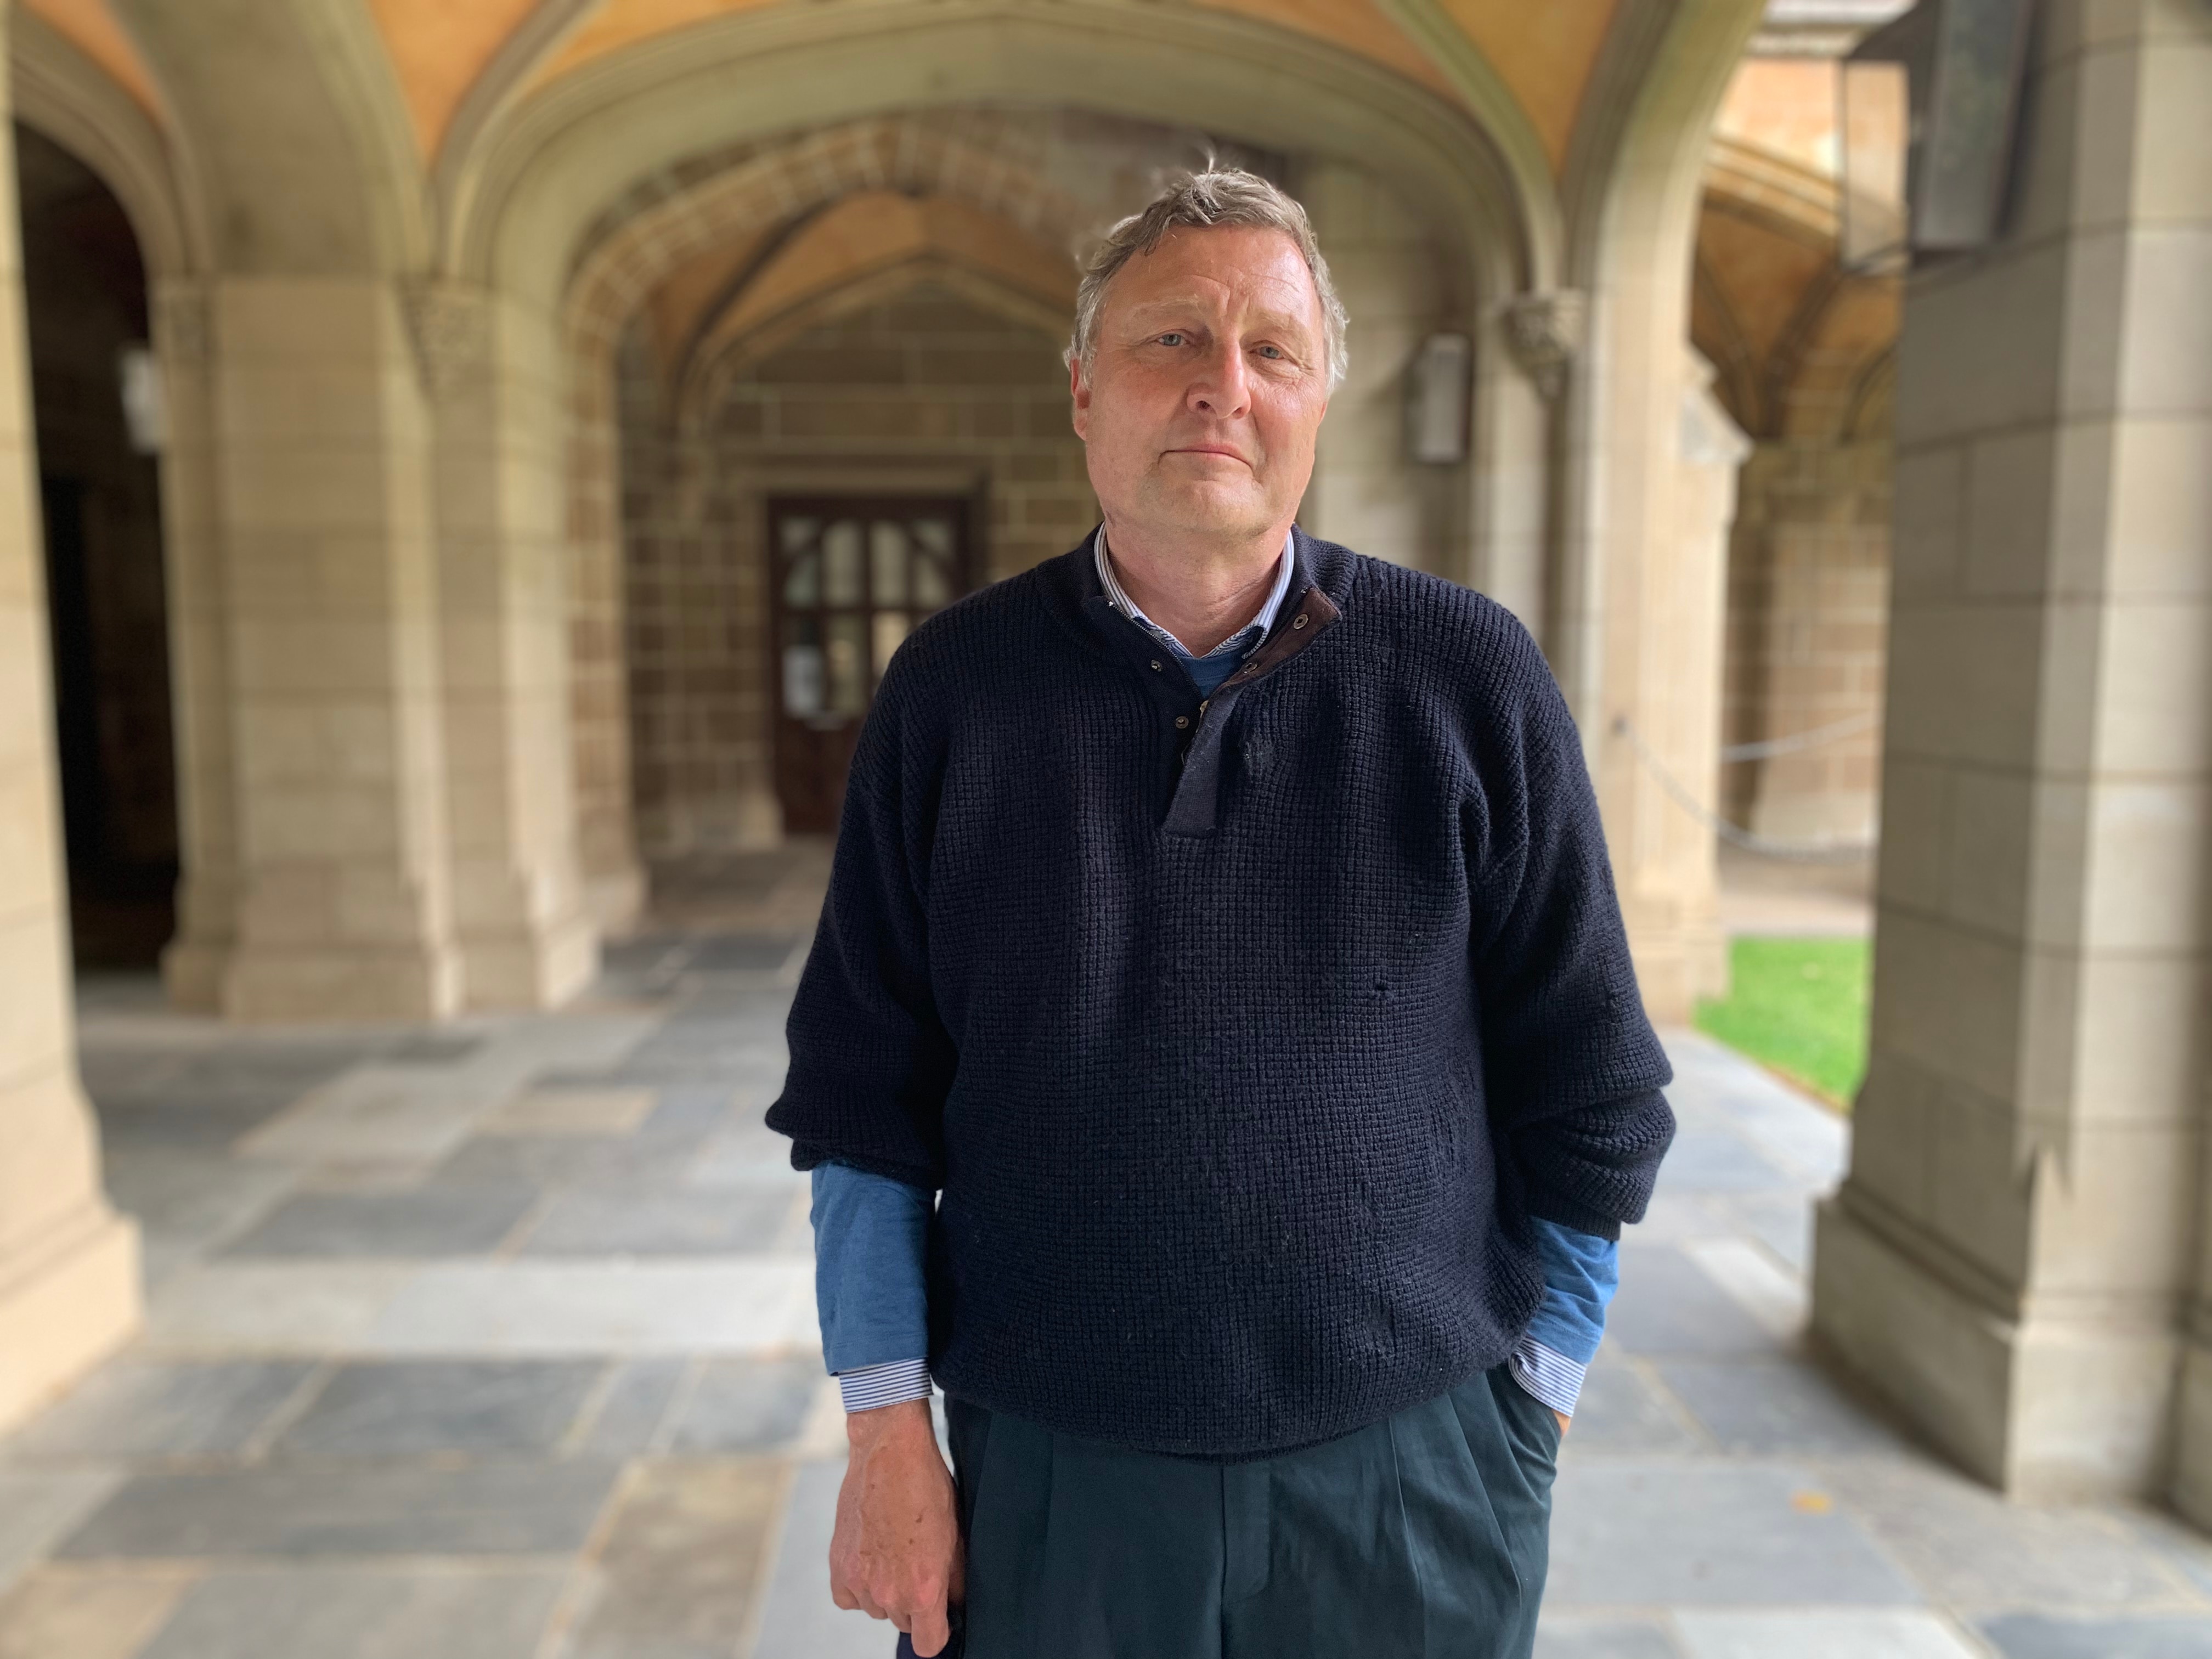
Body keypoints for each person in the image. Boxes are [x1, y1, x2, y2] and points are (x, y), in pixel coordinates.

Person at [766, 167, 1674, 1659]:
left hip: (1412, 1478)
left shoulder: (1467, 676)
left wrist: (1533, 1413)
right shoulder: (954, 691)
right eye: (1170, 342)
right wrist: (884, 1438)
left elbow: (1594, 1087)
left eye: (1273, 351)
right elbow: (866, 1106)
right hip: (1055, 1483)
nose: (1222, 390)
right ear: (1082, 392)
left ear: (1321, 400)